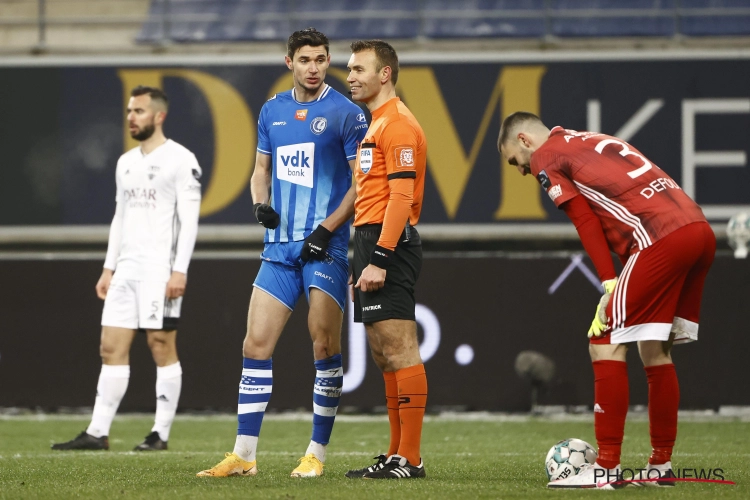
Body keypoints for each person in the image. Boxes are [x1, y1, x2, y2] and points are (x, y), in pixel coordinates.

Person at [498, 112, 715, 489]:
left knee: (604, 340)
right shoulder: (586, 138)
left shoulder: (547, 156)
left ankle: (607, 467)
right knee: (655, 350)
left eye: (516, 162)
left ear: (525, 140)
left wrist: (609, 282)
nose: (521, 171)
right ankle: (660, 466)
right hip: (698, 230)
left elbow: (585, 220)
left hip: (659, 237)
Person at [196, 28, 368, 479]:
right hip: (279, 248)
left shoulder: (347, 114)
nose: (314, 68)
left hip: (324, 247)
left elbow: (359, 184)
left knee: (323, 343)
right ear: (288, 61)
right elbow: (261, 170)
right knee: (255, 344)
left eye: (322, 59)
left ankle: (316, 453)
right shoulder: (272, 110)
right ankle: (244, 455)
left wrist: (327, 229)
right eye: (306, 59)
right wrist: (260, 205)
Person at [52, 86, 202, 452]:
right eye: (129, 111)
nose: (131, 117)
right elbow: (120, 217)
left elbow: (190, 221)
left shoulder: (182, 160)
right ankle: (97, 432)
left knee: (160, 344)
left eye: (138, 111)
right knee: (110, 346)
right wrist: (109, 267)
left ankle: (160, 434)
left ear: (159, 116)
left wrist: (179, 270)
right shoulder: (125, 162)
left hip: (159, 270)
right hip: (127, 271)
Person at [344, 40, 428, 480]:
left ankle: (411, 459)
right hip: (370, 240)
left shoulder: (396, 124)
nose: (351, 76)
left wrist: (379, 258)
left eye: (360, 68)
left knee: (400, 348)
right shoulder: (375, 124)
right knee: (382, 353)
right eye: (350, 68)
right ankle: (397, 454)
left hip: (387, 244)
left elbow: (401, 196)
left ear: (385, 74)